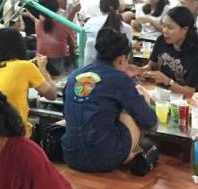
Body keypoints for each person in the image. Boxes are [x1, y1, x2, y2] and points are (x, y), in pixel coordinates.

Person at [62, 28, 157, 173]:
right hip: (105, 158)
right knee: (136, 101)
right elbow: (149, 121)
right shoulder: (119, 79)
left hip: (70, 155)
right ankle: (130, 155)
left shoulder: (74, 75)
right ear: (122, 59)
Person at [0, 28, 57, 135]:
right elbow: (52, 95)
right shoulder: (26, 67)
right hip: (17, 132)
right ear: (20, 46)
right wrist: (43, 69)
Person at [143, 6, 198, 98]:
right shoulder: (161, 40)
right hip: (161, 94)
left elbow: (189, 93)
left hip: (184, 101)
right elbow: (152, 66)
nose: (165, 31)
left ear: (185, 29)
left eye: (170, 27)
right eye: (164, 26)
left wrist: (168, 82)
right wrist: (140, 71)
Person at [26, 0, 75, 77]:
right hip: (58, 60)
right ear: (58, 8)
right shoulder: (64, 24)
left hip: (40, 59)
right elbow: (72, 46)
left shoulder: (39, 24)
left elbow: (38, 21)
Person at [83, 0, 134, 66]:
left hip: (89, 67)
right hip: (115, 69)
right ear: (118, 7)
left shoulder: (90, 23)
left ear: (100, 8)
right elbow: (128, 54)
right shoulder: (126, 28)